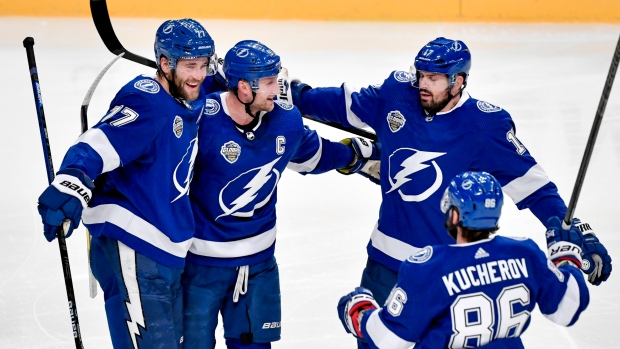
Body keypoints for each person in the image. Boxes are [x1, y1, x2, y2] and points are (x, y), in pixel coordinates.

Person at [285, 36, 610, 319]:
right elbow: (342, 106)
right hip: (384, 264)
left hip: (448, 271)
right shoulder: (397, 93)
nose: (424, 83)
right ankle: (379, 158)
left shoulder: (485, 125)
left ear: (458, 81)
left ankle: (377, 158)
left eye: (435, 78)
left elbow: (534, 188)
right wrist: (292, 95)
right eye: (422, 74)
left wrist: (572, 227)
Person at [182, 40, 379, 348]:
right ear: (244, 88)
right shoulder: (200, 120)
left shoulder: (285, 120)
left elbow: (314, 155)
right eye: (271, 82)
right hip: (199, 267)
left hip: (259, 266)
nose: (279, 88)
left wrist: (355, 158)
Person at [36, 18, 218, 348]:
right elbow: (97, 143)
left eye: (204, 65)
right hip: (133, 244)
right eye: (191, 66)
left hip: (168, 245)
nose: (199, 74)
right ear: (165, 63)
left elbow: (219, 84)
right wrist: (71, 185)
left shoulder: (192, 90)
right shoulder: (147, 100)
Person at [337, 171, 590, 348]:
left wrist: (359, 311)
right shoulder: (527, 254)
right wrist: (566, 257)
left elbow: (389, 340)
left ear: (456, 216)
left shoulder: (429, 268)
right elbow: (567, 309)